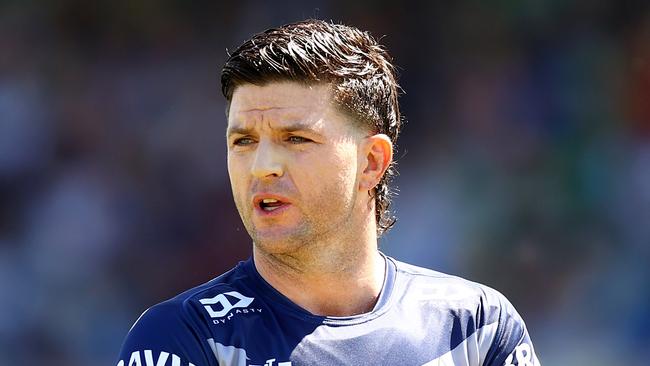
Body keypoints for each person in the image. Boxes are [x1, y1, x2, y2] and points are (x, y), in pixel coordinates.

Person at [116, 19, 540, 366]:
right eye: (243, 141)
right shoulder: (182, 338)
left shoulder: (477, 328)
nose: (263, 166)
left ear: (371, 161)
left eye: (296, 138)